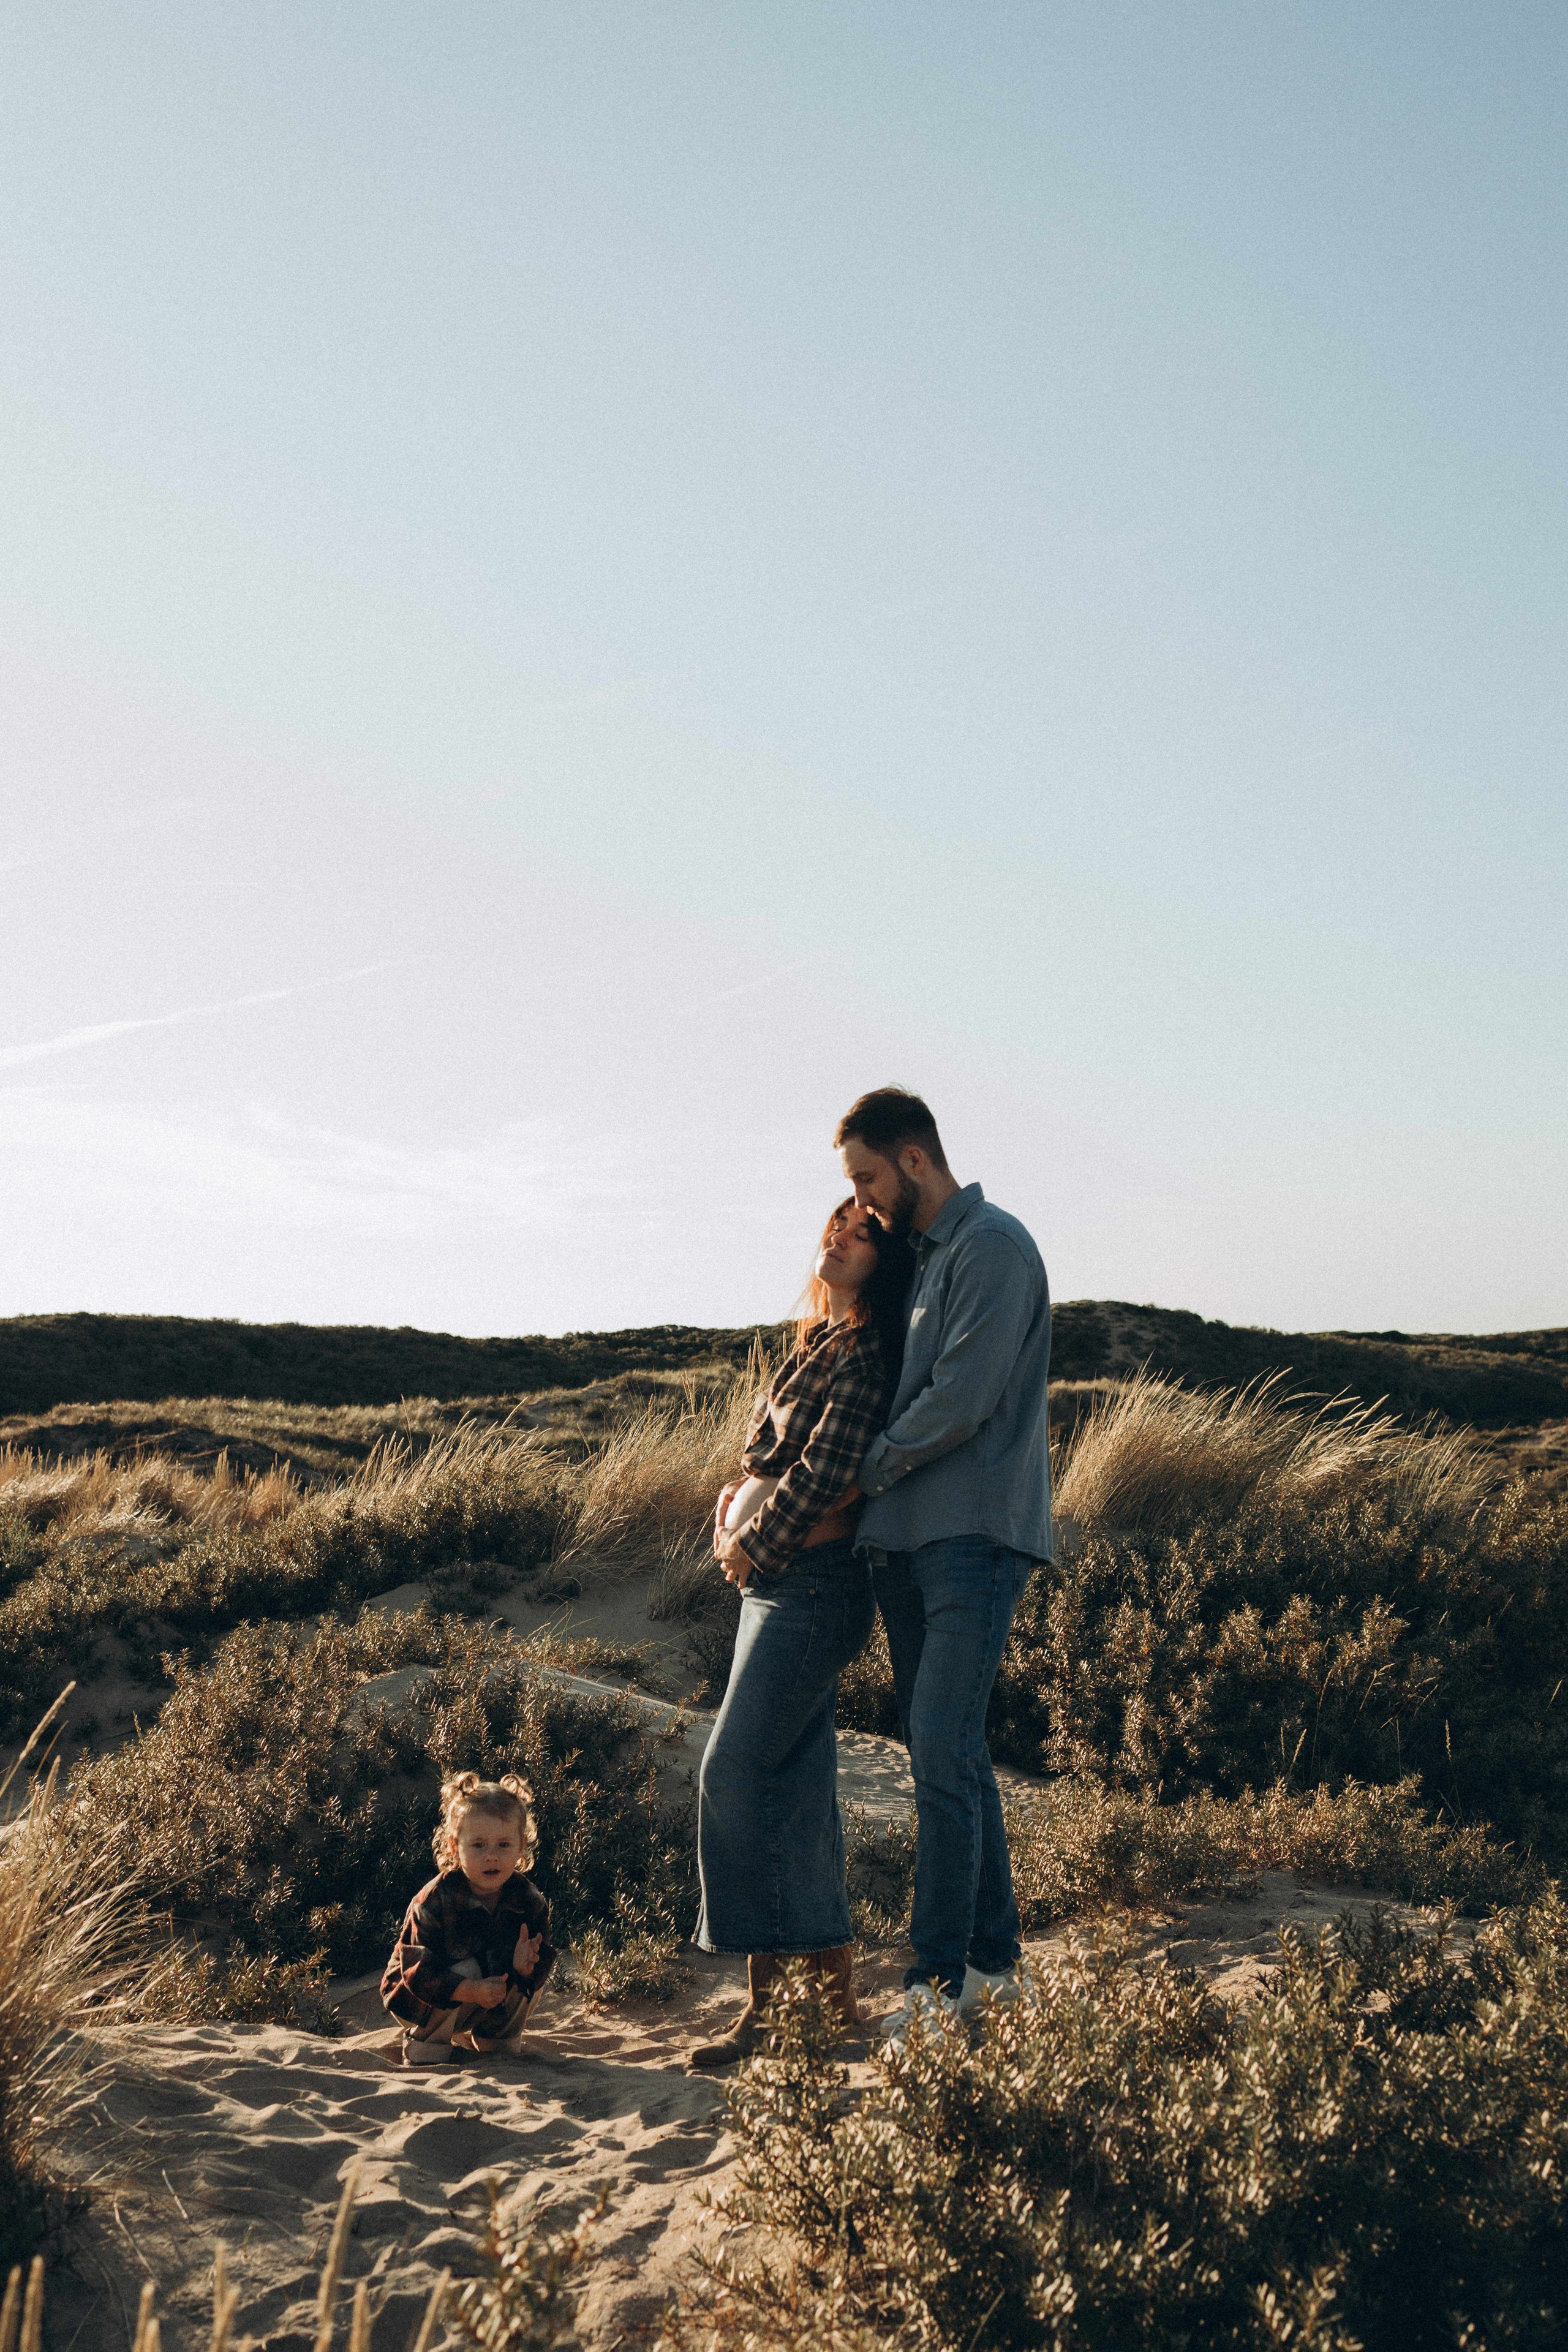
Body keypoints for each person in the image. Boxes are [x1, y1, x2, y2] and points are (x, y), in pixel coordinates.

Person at [835, 1087, 1052, 2043]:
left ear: (914, 1160)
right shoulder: (918, 1260)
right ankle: (996, 1970)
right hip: (906, 1541)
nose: (863, 1198)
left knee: (939, 1752)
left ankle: (936, 1982)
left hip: (971, 1537)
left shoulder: (992, 1247)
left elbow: (963, 1396)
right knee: (952, 1755)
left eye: (867, 1178)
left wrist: (865, 1468)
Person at [687, 1198, 910, 2072]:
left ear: (887, 1263)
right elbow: (771, 1460)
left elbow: (826, 1473)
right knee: (797, 1788)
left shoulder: (867, 1353)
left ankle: (775, 2006)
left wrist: (755, 1541)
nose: (839, 1238)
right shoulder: (815, 1341)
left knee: (735, 1771)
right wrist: (729, 1507)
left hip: (813, 1587)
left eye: (863, 1233)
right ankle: (823, 1999)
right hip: (777, 1584)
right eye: (835, 1226)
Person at [382, 1771, 556, 2066]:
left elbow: (537, 1964)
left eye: (504, 1845)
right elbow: (418, 1973)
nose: (492, 1856)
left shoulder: (528, 1900)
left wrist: (525, 1969)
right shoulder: (435, 1900)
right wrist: (470, 1990)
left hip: (485, 1998)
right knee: (470, 1968)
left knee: (526, 1974)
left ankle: (497, 2042)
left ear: (521, 1845)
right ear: (455, 1846)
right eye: (479, 1845)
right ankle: (427, 2049)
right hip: (418, 1999)